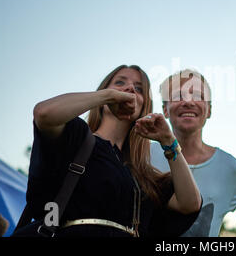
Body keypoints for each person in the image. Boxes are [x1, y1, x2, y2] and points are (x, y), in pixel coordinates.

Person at [22, 65, 201, 237]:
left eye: (139, 88)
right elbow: (44, 113)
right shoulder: (76, 138)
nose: (129, 88)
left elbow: (190, 204)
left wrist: (169, 142)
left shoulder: (142, 177)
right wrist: (109, 96)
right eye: (120, 83)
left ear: (144, 105)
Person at [150, 69, 236, 237]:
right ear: (165, 109)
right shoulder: (143, 156)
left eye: (198, 96)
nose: (188, 102)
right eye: (178, 96)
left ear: (209, 110)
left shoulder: (230, 168)